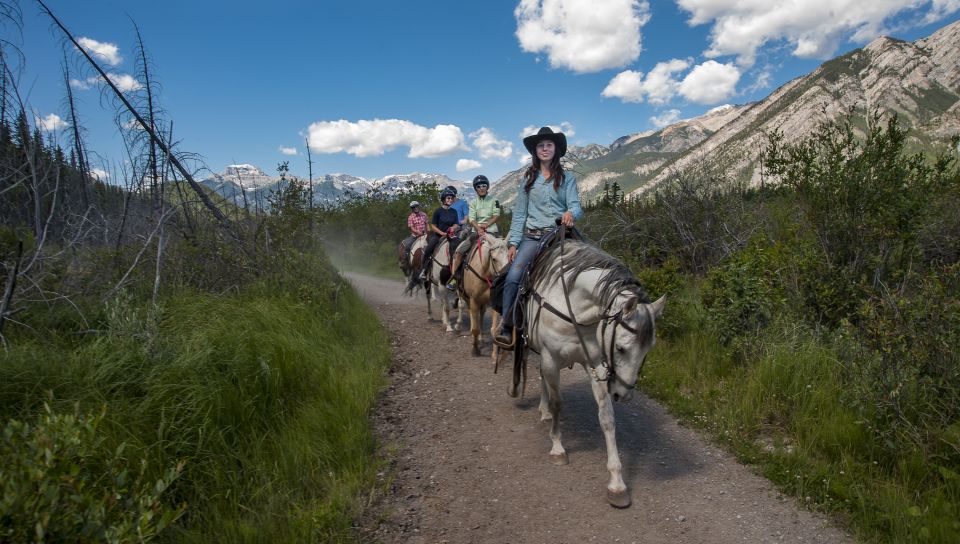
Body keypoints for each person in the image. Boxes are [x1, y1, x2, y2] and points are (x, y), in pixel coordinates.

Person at [494, 127, 583, 345]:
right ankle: (507, 325)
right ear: (536, 151)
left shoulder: (567, 178)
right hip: (533, 237)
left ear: (556, 149)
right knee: (514, 276)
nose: (545, 149)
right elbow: (519, 215)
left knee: (589, 268)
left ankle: (587, 323)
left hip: (560, 234)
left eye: (549, 145)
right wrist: (514, 242)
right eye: (541, 146)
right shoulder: (527, 181)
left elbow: (576, 206)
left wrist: (571, 213)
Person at [446, 175, 501, 290]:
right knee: (459, 252)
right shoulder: (473, 203)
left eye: (484, 185)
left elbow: (496, 215)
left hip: (492, 232)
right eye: (479, 186)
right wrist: (479, 228)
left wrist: (486, 225)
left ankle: (505, 280)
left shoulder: (494, 200)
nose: (481, 188)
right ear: (475, 188)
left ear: (487, 187)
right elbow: (471, 218)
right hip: (475, 233)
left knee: (504, 252)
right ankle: (455, 279)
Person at [418, 188, 461, 281]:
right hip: (438, 235)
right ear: (444, 199)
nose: (450, 200)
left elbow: (456, 224)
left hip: (451, 235)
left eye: (451, 198)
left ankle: (458, 272)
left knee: (460, 250)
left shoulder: (454, 212)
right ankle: (424, 270)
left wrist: (453, 228)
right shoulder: (438, 211)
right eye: (448, 198)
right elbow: (433, 226)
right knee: (428, 249)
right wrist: (442, 233)